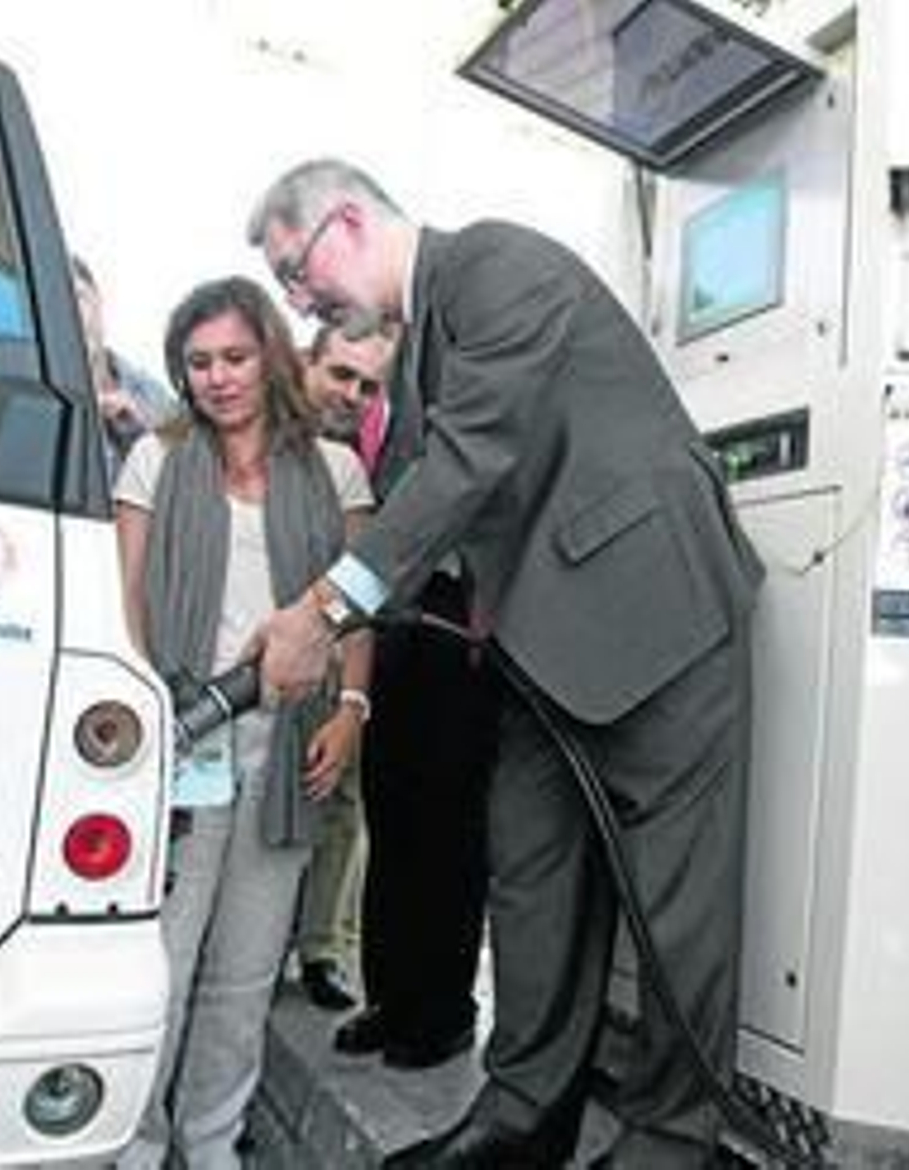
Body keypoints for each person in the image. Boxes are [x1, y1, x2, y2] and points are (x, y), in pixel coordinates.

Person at [244, 159, 765, 1170]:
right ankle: (521, 1117)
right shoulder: (422, 343)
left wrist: (324, 607)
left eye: (294, 272)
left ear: (347, 223)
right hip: (539, 645)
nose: (299, 301)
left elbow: (472, 459)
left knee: (675, 903)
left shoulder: (492, 265)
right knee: (529, 877)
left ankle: (669, 1142)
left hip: (659, 613)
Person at [113, 275, 374, 1170]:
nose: (217, 378)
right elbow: (128, 606)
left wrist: (351, 709)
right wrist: (153, 724)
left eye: (234, 356)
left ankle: (212, 1139)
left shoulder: (338, 471)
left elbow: (360, 605)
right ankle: (139, 1144)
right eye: (197, 363)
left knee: (246, 972)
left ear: (269, 355)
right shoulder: (154, 458)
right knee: (164, 965)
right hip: (185, 735)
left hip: (291, 742)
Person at [302, 317, 498, 1071]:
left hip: (459, 622)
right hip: (389, 626)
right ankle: (391, 996)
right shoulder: (367, 422)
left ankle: (443, 1008)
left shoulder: (457, 396)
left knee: (447, 827)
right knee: (390, 813)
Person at [287, 321, 391, 1013]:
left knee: (340, 803)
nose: (351, 394)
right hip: (256, 651)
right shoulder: (253, 438)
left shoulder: (370, 464)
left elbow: (371, 579)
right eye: (340, 376)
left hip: (339, 655)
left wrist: (355, 697)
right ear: (305, 364)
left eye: (367, 385)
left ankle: (320, 951)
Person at [72, 255, 181, 480]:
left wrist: (143, 435)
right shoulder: (37, 404)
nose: (72, 314)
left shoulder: (152, 396)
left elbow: (192, 487)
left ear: (98, 300)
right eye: (58, 304)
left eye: (78, 297)